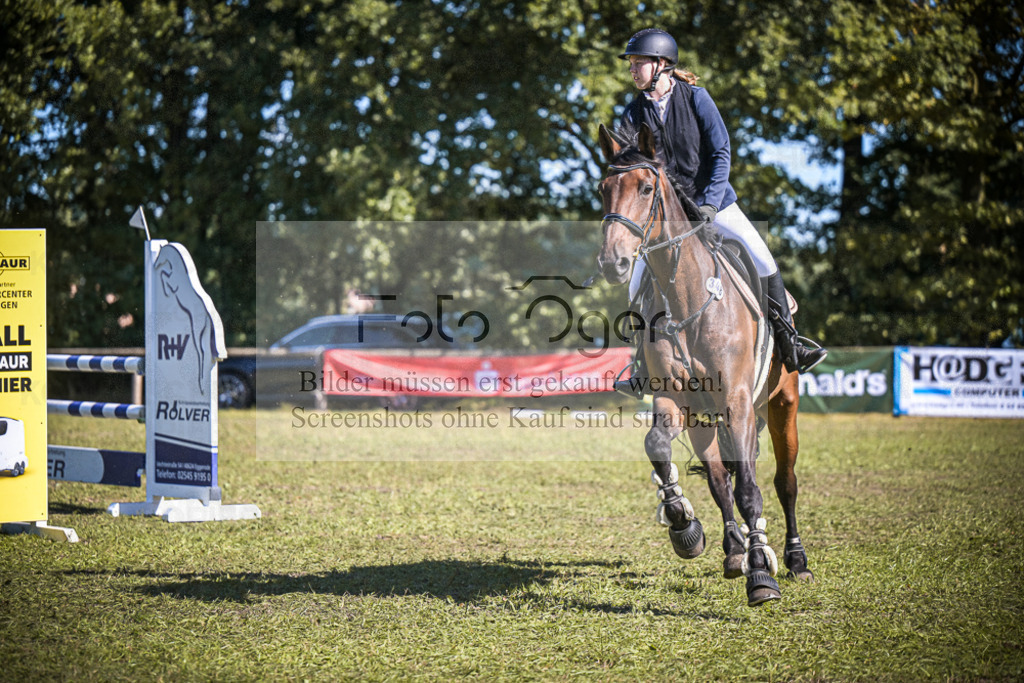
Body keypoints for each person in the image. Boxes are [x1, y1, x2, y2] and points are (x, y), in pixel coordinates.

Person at [612, 28, 826, 397]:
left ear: (662, 64)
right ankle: (642, 365)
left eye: (638, 62)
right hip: (667, 216)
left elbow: (721, 152)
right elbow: (630, 166)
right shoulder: (633, 112)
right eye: (631, 63)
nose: (633, 69)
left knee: (762, 258)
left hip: (716, 204)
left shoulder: (696, 98)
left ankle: (792, 346)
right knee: (636, 283)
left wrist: (710, 204)